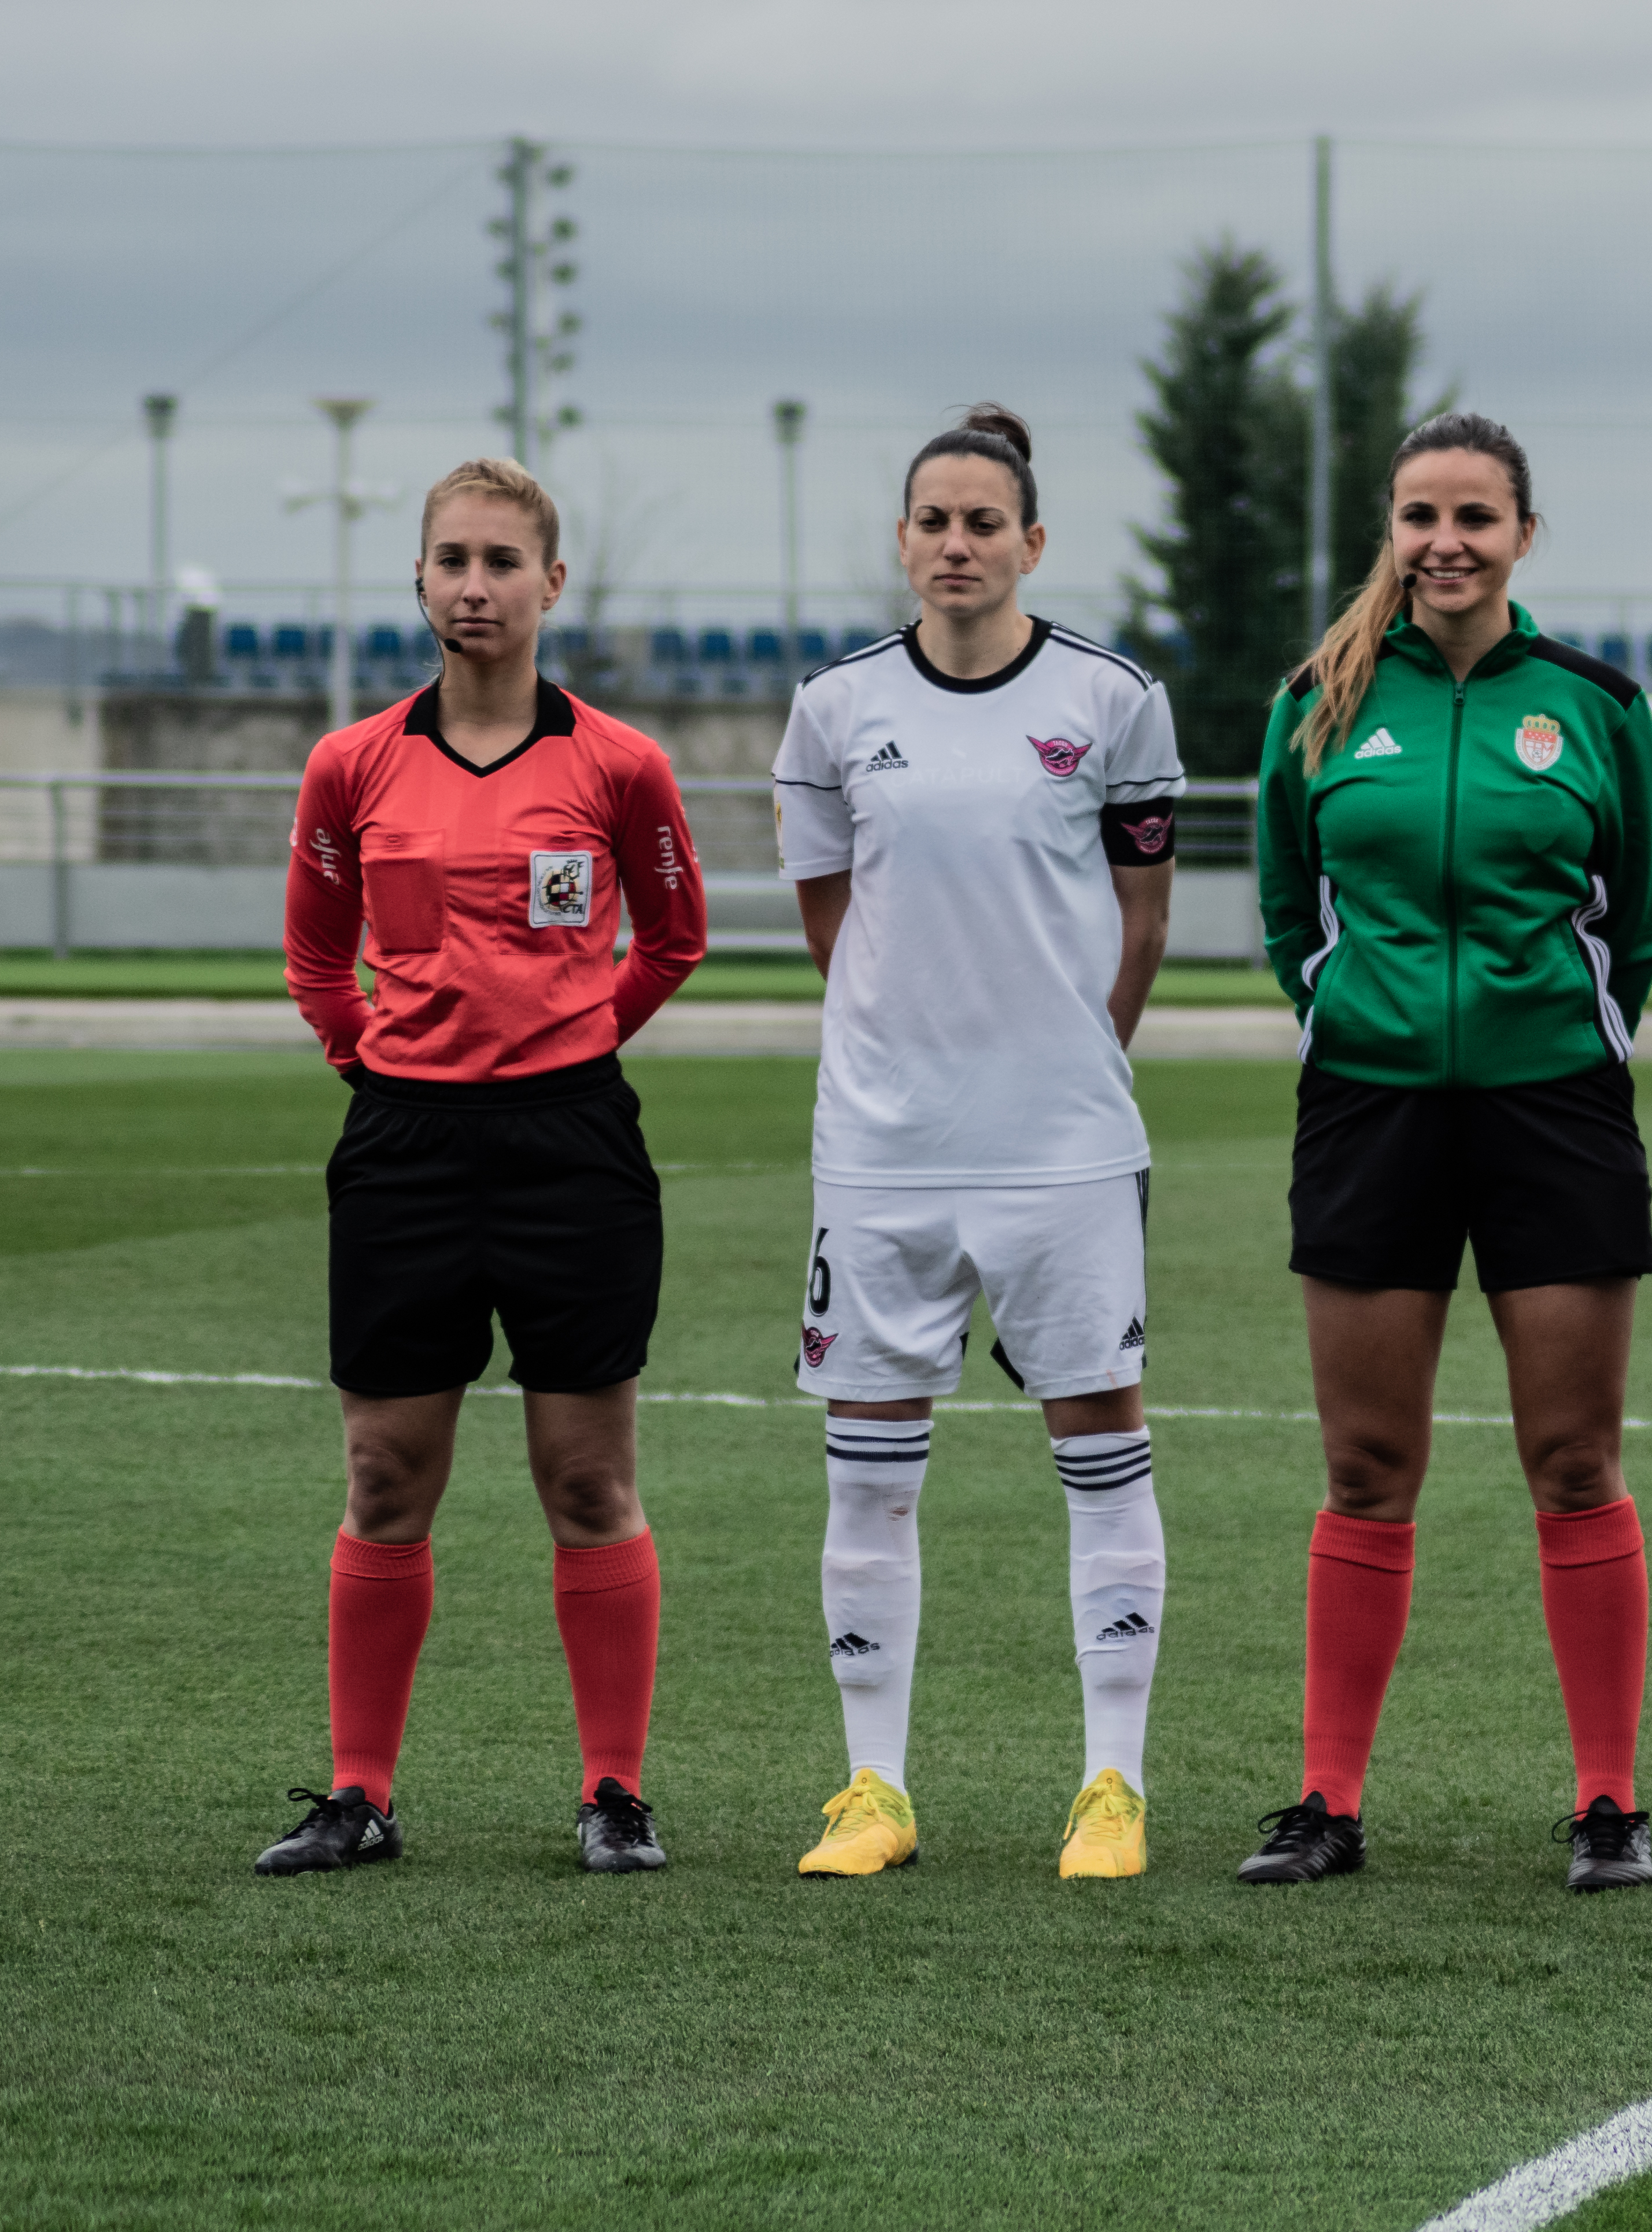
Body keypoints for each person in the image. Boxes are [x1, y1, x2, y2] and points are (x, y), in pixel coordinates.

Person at [1245, 411, 1652, 1892]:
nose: (1447, 543)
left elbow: (1648, 915)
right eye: (1421, 516)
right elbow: (1287, 911)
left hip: (1554, 1109)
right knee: (1368, 1464)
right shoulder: (1318, 696)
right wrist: (1338, 1012)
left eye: (1476, 519)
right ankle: (1326, 1799)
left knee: (1573, 1459)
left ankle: (1608, 1803)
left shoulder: (1599, 705)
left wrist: (1569, 1029)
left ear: (1523, 537)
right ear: (1392, 528)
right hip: (1370, 1109)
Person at [262, 455, 708, 1877]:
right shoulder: (354, 764)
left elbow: (676, 938)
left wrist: (576, 1040)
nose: (475, 585)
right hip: (404, 1144)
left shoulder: (620, 765)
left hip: (572, 1144)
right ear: (419, 577)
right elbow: (318, 956)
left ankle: (616, 1791)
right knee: (387, 1473)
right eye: (451, 558)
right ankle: (358, 1795)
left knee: (588, 1477)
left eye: (502, 561)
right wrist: (369, 1064)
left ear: (550, 584)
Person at [775, 405, 1183, 1883]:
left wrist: (1071, 1055)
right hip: (880, 1149)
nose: (958, 545)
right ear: (904, 541)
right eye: (933, 523)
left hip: (1061, 1147)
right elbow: (838, 921)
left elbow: (1142, 918)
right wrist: (912, 1045)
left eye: (983, 523)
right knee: (870, 1470)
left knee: (1103, 1441)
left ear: (1032, 542)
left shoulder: (1115, 698)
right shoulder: (831, 709)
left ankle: (1112, 1789)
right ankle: (873, 1786)